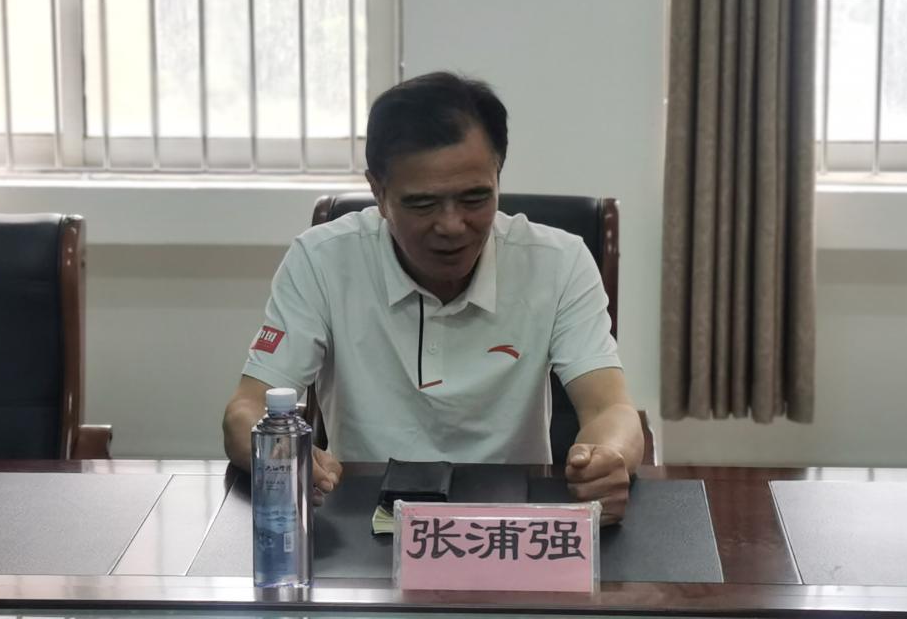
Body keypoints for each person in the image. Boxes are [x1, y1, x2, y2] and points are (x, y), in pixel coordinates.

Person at [223, 71, 644, 524]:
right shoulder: (322, 260)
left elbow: (610, 408)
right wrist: (281, 455)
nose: (452, 226)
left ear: (498, 174)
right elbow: (246, 410)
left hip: (511, 525)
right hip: (362, 518)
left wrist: (609, 457)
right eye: (423, 204)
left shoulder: (558, 263)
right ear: (378, 192)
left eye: (475, 198)